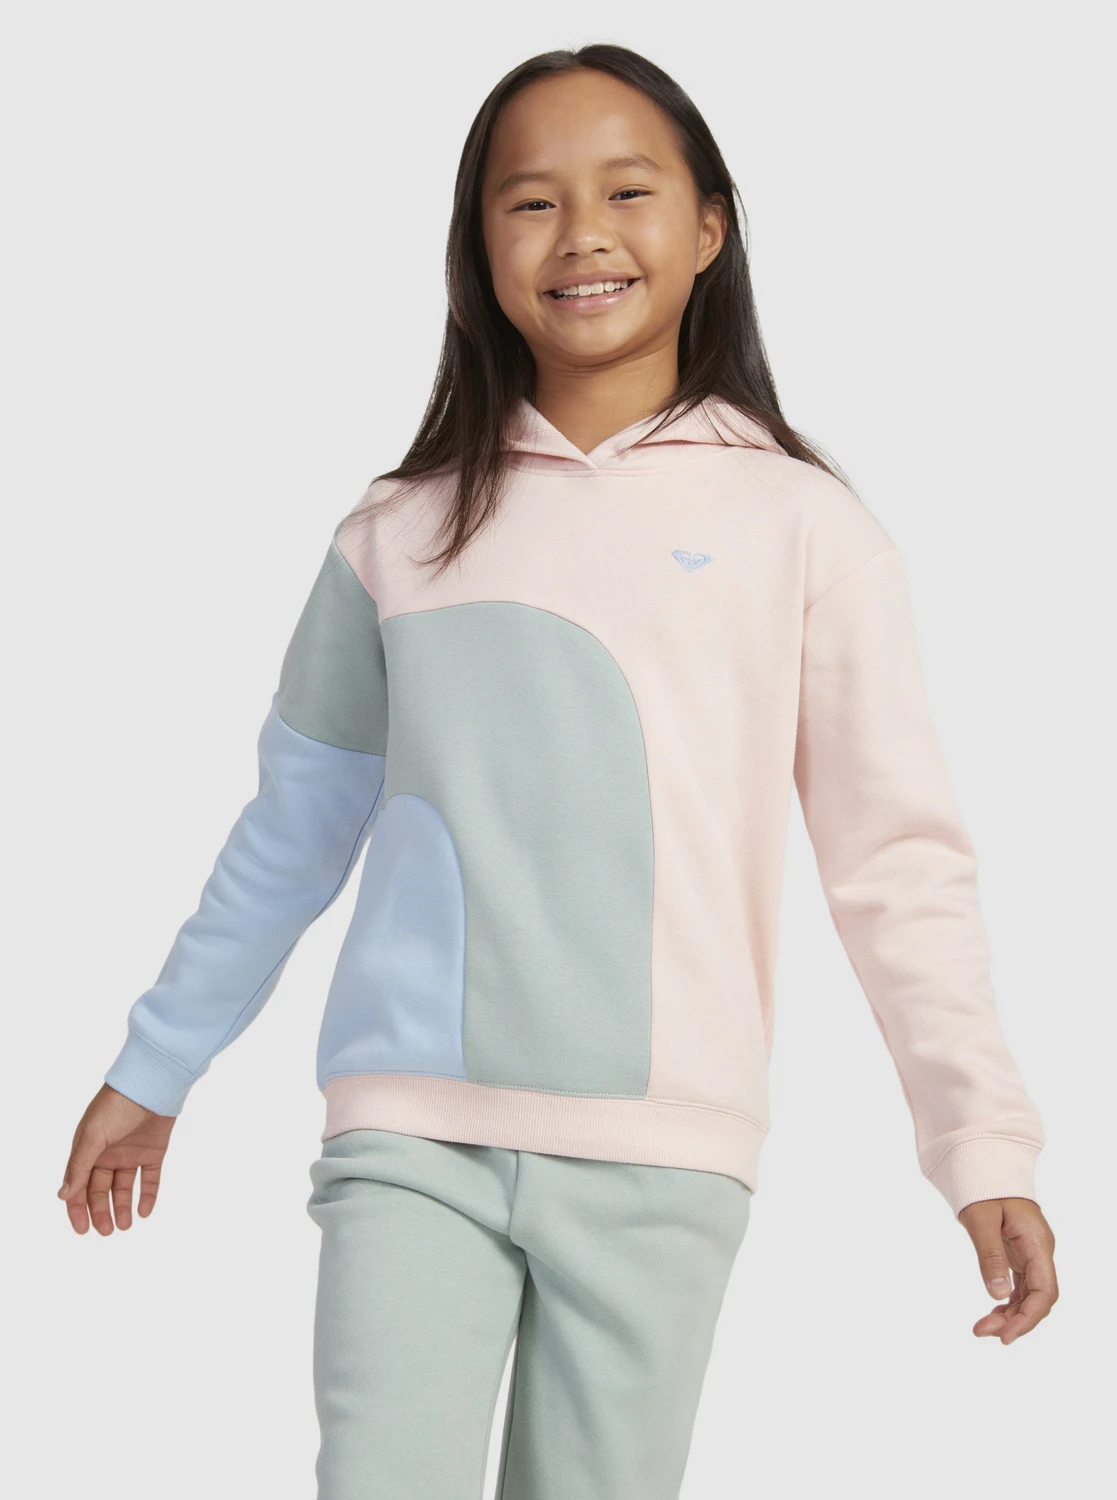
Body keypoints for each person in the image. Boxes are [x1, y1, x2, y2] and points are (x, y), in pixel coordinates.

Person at [57, 42, 1059, 1500]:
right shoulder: (394, 534)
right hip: (409, 1129)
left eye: (627, 191)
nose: (582, 232)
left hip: (665, 1151)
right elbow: (292, 829)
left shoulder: (804, 528)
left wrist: (981, 1147)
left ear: (708, 227)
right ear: (478, 248)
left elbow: (896, 866)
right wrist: (155, 1065)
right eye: (530, 201)